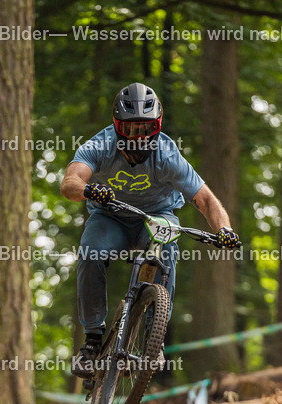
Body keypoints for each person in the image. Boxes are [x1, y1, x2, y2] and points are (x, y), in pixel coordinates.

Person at [60, 82, 241, 377]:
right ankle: (92, 340)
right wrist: (90, 191)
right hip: (111, 217)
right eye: (131, 129)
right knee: (90, 253)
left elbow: (205, 199)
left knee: (167, 247)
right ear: (118, 127)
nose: (139, 136)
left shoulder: (167, 155)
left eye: (145, 128)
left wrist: (226, 230)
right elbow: (69, 184)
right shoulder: (99, 146)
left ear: (157, 126)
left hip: (156, 216)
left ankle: (152, 343)